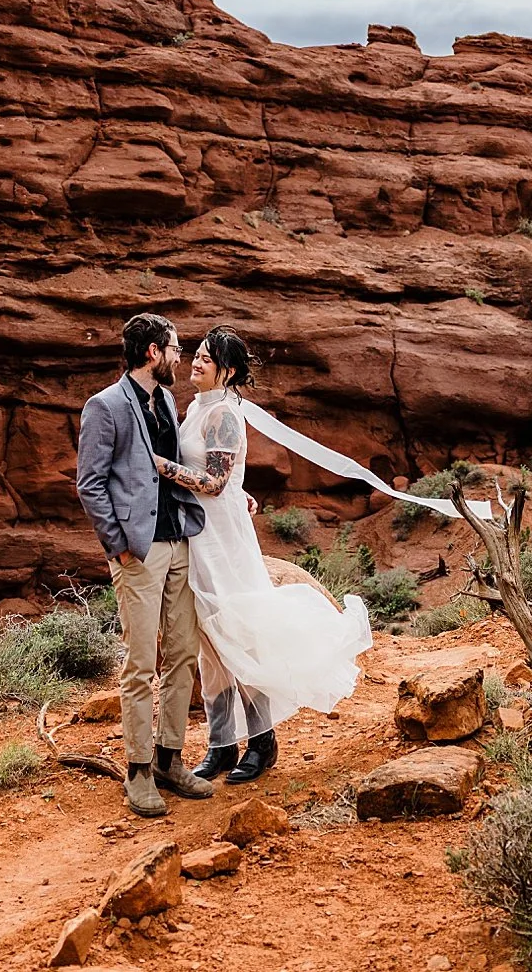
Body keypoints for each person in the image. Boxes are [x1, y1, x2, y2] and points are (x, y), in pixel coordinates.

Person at [153, 326, 373, 784]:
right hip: (198, 534)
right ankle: (220, 744)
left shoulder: (225, 416)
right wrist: (240, 488)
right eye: (195, 354)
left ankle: (262, 741)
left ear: (227, 371)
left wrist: (158, 466)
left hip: (223, 538)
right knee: (209, 644)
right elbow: (220, 474)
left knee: (239, 633)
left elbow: (213, 484)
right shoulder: (197, 408)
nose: (195, 362)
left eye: (207, 359)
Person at [73, 313, 217, 817]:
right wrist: (119, 545)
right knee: (141, 664)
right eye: (175, 349)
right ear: (154, 352)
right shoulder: (106, 406)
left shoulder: (165, 402)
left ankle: (169, 760)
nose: (181, 357)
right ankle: (136, 771)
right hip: (140, 551)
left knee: (181, 655)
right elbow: (89, 483)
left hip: (180, 541)